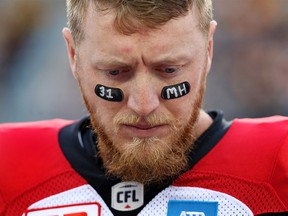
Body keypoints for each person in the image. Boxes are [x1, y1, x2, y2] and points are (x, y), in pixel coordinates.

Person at [0, 0, 287, 215]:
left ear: (208, 49)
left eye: (169, 69)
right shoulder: (8, 165)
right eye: (115, 72)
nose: (143, 104)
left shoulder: (277, 161)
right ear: (73, 54)